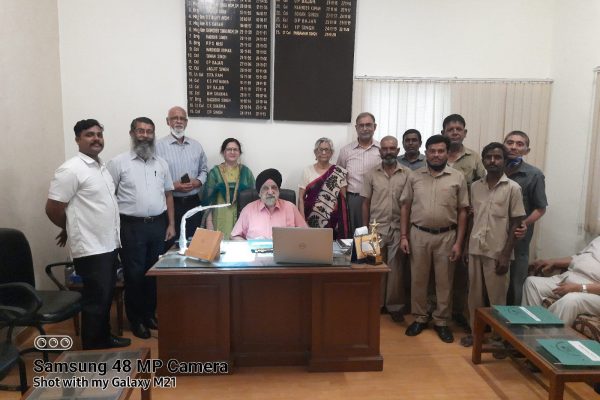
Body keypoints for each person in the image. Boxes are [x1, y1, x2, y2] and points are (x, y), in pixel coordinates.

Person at [46, 119, 130, 350]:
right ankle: (93, 349)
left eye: (99, 134)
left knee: (105, 296)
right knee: (95, 300)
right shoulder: (71, 169)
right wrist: (70, 228)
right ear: (77, 139)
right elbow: (53, 208)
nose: (96, 139)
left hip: (109, 244)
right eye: (89, 135)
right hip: (92, 247)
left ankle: (104, 337)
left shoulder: (100, 166)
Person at [107, 117, 175, 339]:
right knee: (134, 275)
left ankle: (149, 315)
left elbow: (168, 194)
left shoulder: (161, 163)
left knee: (154, 274)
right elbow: (108, 196)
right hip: (131, 227)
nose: (145, 135)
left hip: (157, 225)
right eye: (140, 131)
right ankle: (135, 320)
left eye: (149, 131)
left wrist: (171, 224)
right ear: (132, 133)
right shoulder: (118, 163)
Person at [400, 135, 469, 343]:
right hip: (418, 234)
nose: (436, 155)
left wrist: (458, 242)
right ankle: (420, 317)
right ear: (426, 152)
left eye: (441, 151)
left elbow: (463, 211)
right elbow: (405, 206)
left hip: (447, 237)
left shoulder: (457, 177)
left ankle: (441, 321)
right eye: (432, 151)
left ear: (447, 153)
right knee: (418, 279)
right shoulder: (414, 176)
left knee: (444, 281)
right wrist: (404, 235)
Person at [460, 142, 525, 347]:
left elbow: (516, 223)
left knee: (497, 299)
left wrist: (506, 254)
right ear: (484, 160)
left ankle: (498, 338)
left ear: (505, 161)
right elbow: (472, 218)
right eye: (488, 157)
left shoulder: (513, 188)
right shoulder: (476, 187)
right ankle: (476, 332)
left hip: (498, 251)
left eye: (497, 157)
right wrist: (464, 247)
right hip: (475, 248)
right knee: (474, 297)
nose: (492, 161)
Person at [441, 114, 486, 330]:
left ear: (465, 132)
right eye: (451, 129)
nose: (455, 132)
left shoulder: (474, 158)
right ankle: (439, 311)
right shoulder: (436, 155)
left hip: (466, 222)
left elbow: (484, 186)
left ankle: (459, 311)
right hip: (440, 220)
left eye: (459, 129)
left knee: (461, 270)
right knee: (439, 270)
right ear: (444, 133)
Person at [361, 136, 410, 322]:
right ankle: (376, 304)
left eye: (392, 148)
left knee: (396, 269)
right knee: (374, 268)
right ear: (379, 151)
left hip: (398, 228)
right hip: (375, 228)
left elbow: (408, 205)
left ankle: (394, 306)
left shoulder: (407, 174)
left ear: (398, 151)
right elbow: (365, 203)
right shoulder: (371, 174)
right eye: (385, 148)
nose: (388, 151)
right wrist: (364, 230)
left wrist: (406, 233)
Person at [504, 130, 548, 306]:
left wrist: (524, 223)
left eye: (519, 144)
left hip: (518, 239)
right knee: (495, 283)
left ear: (526, 150)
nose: (514, 146)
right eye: (510, 142)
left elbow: (541, 208)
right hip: (495, 236)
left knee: (515, 283)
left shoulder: (534, 174)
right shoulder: (494, 169)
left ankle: (511, 327)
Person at [156, 106, 207, 247]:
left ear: (186, 122)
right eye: (174, 118)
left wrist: (197, 182)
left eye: (182, 118)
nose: (178, 121)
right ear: (168, 121)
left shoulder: (196, 146)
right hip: (170, 204)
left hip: (193, 202)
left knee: (195, 244)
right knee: (171, 244)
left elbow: (204, 170)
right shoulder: (157, 147)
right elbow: (153, 178)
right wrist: (173, 186)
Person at [523, 236, 600, 326]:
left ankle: (547, 337)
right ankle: (531, 327)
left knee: (571, 300)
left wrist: (578, 288)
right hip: (570, 277)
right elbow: (577, 258)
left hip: (592, 291)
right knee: (532, 283)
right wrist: (553, 261)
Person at [231, 168, 307, 240]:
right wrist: (248, 247)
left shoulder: (290, 207)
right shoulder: (248, 209)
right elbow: (235, 236)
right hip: (255, 253)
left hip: (285, 253)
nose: (270, 192)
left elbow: (306, 233)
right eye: (265, 188)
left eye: (274, 187)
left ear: (278, 191)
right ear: (259, 193)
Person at [336, 112, 381, 234]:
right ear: (356, 128)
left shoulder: (382, 149)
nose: (365, 129)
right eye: (361, 125)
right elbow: (339, 177)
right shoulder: (346, 151)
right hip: (353, 200)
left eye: (368, 125)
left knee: (374, 235)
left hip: (376, 200)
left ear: (374, 127)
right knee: (354, 235)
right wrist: (345, 202)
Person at [202, 138, 255, 239]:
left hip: (241, 218)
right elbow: (207, 201)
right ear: (223, 152)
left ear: (239, 153)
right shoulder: (215, 172)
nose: (232, 152)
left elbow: (254, 200)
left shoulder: (246, 172)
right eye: (229, 149)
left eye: (235, 149)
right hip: (219, 218)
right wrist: (209, 223)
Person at [298, 137, 349, 239]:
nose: (324, 152)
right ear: (315, 153)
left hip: (332, 220)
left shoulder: (338, 171)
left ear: (331, 153)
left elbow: (344, 198)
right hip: (310, 218)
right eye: (320, 150)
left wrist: (341, 222)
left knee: (330, 250)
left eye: (327, 150)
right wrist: (302, 220)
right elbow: (300, 198)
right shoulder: (307, 171)